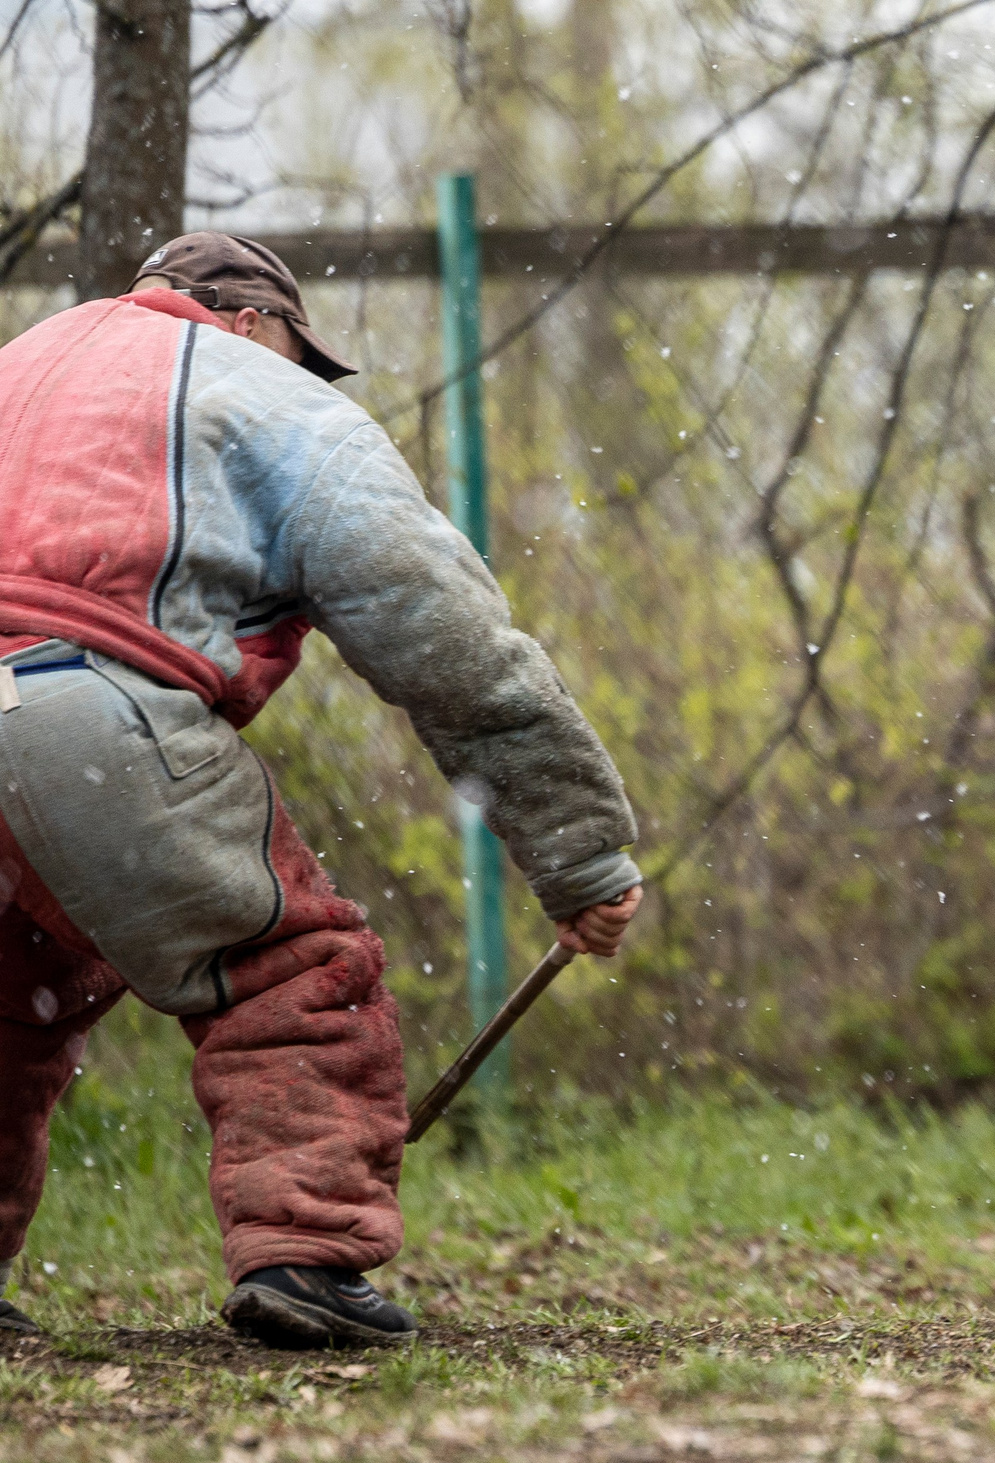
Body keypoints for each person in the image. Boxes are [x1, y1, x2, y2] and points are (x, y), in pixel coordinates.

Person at [0, 233, 643, 1349]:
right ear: (248, 323)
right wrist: (577, 849)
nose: (304, 377)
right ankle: (301, 1257)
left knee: (9, 1002)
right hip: (84, 709)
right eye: (302, 351)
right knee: (288, 974)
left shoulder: (19, 362)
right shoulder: (266, 401)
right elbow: (447, 642)